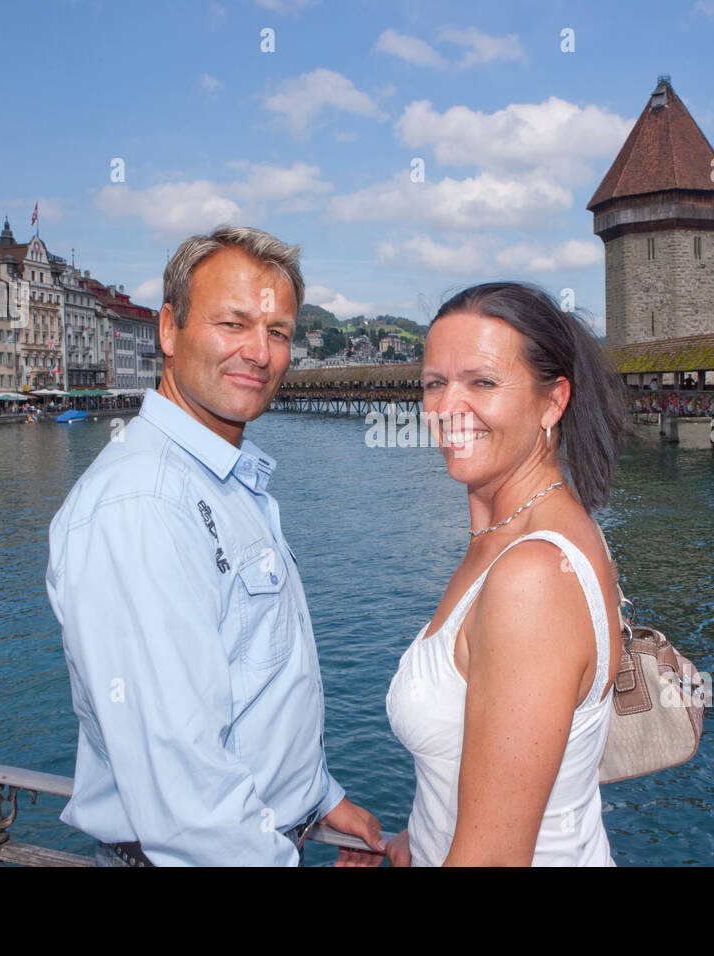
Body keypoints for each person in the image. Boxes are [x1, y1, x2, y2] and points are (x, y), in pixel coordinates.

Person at [46, 226, 384, 866]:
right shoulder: (143, 504)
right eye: (233, 324)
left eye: (278, 332)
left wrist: (316, 794)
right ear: (168, 331)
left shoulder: (221, 480)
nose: (259, 352)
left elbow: (249, 679)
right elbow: (186, 802)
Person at [383, 282, 629, 866]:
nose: (447, 407)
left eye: (482, 382)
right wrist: (415, 843)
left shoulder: (532, 576)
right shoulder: (509, 539)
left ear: (552, 401)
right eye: (435, 383)